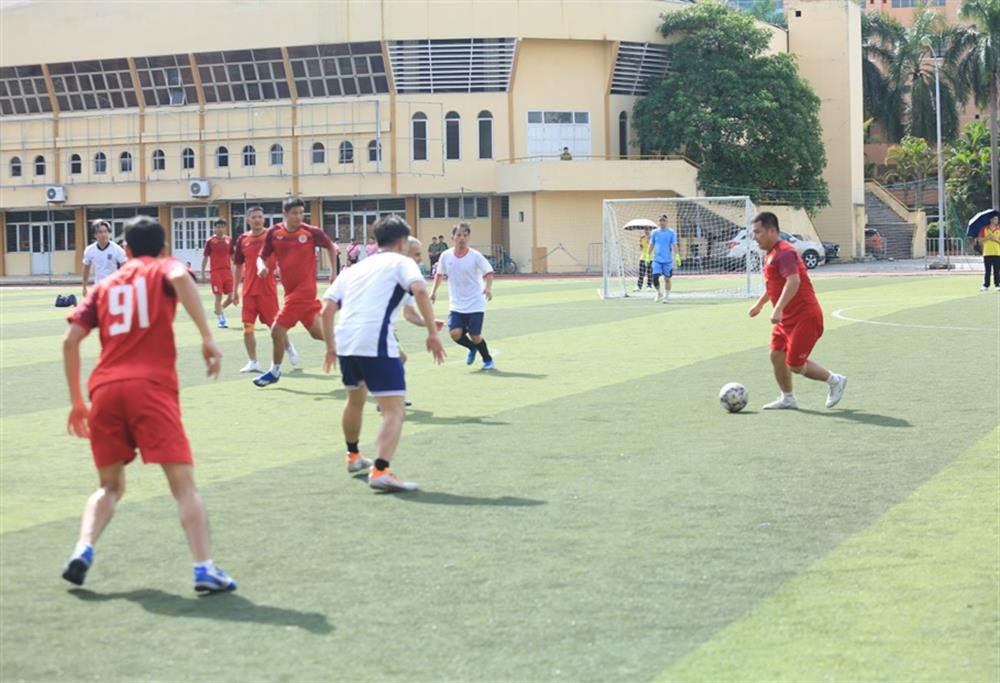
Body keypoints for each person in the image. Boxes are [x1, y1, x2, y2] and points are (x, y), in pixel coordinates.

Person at [61, 215, 236, 593]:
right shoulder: (164, 267)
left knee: (108, 487)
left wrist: (77, 401)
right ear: (162, 248)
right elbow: (179, 278)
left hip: (105, 390)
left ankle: (83, 547)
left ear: (125, 249)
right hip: (150, 389)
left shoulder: (106, 286)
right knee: (184, 485)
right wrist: (207, 336)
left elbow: (70, 340)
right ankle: (204, 568)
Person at [320, 215, 446, 492]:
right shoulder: (402, 263)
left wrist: (330, 346)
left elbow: (326, 310)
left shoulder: (354, 269)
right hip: (374, 340)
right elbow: (421, 291)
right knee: (395, 410)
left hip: (346, 341)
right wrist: (432, 334)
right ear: (402, 241)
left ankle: (353, 456)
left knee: (355, 399)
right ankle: (380, 470)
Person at [748, 211, 846, 410]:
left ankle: (835, 380)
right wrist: (760, 304)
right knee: (776, 354)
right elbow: (775, 285)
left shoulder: (785, 252)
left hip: (805, 317)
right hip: (787, 319)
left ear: (771, 230)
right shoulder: (771, 254)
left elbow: (793, 281)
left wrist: (778, 309)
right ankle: (788, 398)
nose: (754, 237)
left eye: (757, 232)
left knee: (795, 365)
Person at [252, 197, 339, 387]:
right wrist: (260, 267)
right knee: (318, 334)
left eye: (301, 213)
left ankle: (274, 371)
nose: (299, 217)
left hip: (304, 291)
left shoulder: (310, 232)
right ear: (285, 214)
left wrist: (334, 273)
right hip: (290, 292)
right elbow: (262, 257)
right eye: (294, 213)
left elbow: (331, 247)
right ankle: (351, 350)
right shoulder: (274, 232)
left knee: (277, 331)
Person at [232, 207, 299, 373]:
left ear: (264, 219)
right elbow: (238, 266)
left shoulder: (272, 236)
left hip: (267, 292)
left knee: (275, 327)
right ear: (248, 220)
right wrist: (234, 291)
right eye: (254, 217)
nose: (257, 220)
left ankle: (288, 347)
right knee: (247, 328)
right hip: (248, 292)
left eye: (260, 217)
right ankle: (253, 362)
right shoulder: (243, 239)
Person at [430, 223, 495, 369]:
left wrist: (488, 288)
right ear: (453, 237)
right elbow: (439, 274)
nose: (462, 238)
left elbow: (489, 272)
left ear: (468, 237)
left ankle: (487, 360)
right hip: (457, 303)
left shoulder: (475, 256)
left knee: (475, 335)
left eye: (465, 235)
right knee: (454, 334)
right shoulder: (445, 256)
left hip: (475, 302)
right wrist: (433, 292)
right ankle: (472, 348)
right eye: (459, 235)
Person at [199, 218, 234, 329]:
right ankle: (221, 320)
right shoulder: (210, 241)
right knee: (218, 297)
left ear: (225, 228)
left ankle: (219, 310)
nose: (220, 229)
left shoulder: (229, 240)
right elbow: (205, 257)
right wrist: (203, 272)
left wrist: (239, 268)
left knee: (231, 297)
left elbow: (233, 256)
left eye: (222, 226)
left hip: (227, 272)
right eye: (217, 227)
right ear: (214, 228)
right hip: (216, 272)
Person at [82, 220, 126, 297]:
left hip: (114, 288)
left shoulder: (117, 249)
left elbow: (125, 267)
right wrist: (84, 287)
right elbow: (86, 268)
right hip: (98, 287)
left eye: (106, 232)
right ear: (95, 235)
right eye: (100, 232)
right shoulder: (89, 250)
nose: (104, 234)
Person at [650, 214, 678, 303]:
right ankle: (659, 293)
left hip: (667, 260)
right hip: (657, 259)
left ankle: (666, 297)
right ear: (658, 222)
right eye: (660, 220)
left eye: (664, 220)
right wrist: (648, 255)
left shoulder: (671, 232)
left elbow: (674, 244)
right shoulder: (654, 232)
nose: (662, 222)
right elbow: (651, 244)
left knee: (667, 279)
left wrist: (677, 255)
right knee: (654, 277)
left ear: (667, 222)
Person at [978, 214, 1000, 291]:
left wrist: (995, 239)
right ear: (991, 220)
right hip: (987, 252)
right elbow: (980, 240)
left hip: (997, 252)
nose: (996, 221)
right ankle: (986, 285)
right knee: (987, 270)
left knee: (997, 270)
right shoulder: (984, 229)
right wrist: (987, 238)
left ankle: (997, 285)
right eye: (995, 219)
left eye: (997, 219)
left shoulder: (999, 229)